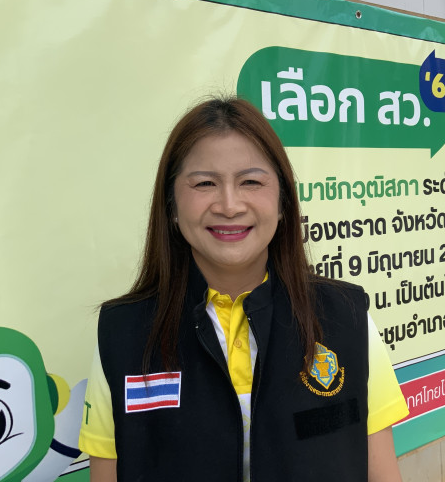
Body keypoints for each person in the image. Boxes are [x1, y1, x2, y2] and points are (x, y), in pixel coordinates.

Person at [79, 97, 408, 481]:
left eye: (251, 181)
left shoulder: (346, 316)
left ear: (283, 202)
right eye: (205, 183)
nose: (230, 205)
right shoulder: (122, 333)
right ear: (171, 205)